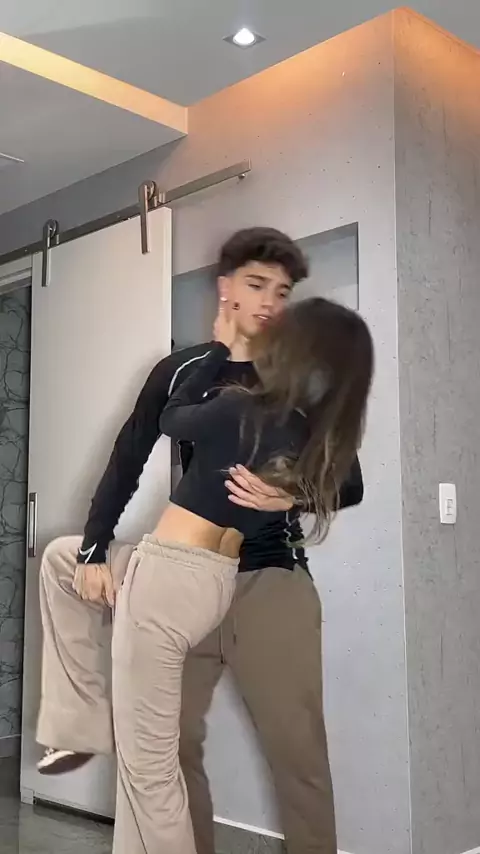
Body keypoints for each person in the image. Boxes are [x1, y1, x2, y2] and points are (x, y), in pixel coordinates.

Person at [36, 228, 365, 854]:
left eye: (282, 291)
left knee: (297, 755)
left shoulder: (299, 379)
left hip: (271, 579)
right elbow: (128, 458)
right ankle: (81, 737)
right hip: (185, 576)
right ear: (226, 288)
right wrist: (96, 546)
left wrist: (291, 496)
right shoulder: (185, 369)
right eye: (256, 284)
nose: (269, 301)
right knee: (172, 750)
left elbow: (347, 481)